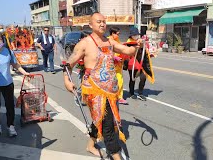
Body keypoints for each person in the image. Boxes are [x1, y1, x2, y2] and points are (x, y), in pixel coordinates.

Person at [63, 12, 141, 160]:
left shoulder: (109, 42)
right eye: (99, 21)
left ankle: (90, 145)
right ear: (91, 25)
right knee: (108, 125)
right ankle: (116, 155)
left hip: (111, 92)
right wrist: (67, 80)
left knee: (99, 120)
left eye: (104, 22)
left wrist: (137, 45)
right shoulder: (84, 44)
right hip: (95, 92)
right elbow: (69, 64)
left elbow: (127, 51)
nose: (102, 24)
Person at [126, 27, 155, 101]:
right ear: (131, 35)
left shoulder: (141, 41)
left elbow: (144, 51)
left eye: (137, 34)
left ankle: (140, 93)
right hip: (133, 64)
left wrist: (149, 53)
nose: (136, 36)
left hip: (141, 63)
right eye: (134, 35)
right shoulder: (129, 42)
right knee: (132, 78)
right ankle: (132, 93)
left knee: (143, 78)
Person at [108, 27, 128, 105]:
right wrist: (114, 57)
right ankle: (110, 96)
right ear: (113, 33)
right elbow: (106, 53)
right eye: (117, 34)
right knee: (110, 82)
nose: (118, 35)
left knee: (120, 80)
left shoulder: (117, 40)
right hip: (110, 65)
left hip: (118, 65)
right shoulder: (107, 40)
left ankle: (120, 97)